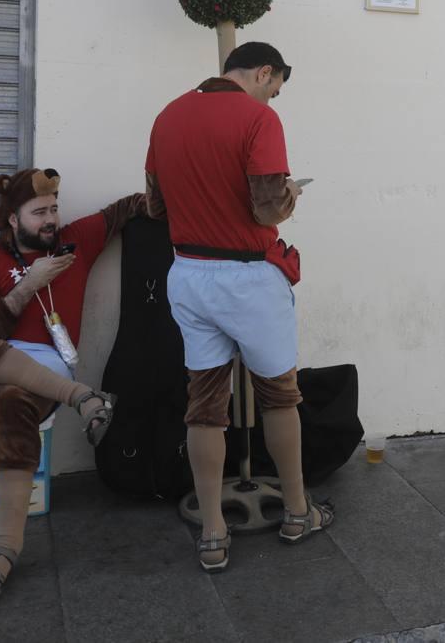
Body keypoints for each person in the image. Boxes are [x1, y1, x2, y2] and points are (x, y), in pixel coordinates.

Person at [144, 41, 334, 572]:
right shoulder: (257, 120)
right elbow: (268, 205)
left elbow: (155, 205)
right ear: (262, 72)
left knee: (204, 403)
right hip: (248, 278)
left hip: (188, 274)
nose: (272, 101)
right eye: (273, 90)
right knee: (279, 396)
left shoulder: (168, 115)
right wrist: (291, 193)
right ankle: (298, 511)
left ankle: (212, 532)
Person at [0, 167, 144, 603]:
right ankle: (82, 398)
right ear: (13, 219)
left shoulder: (76, 242)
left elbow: (131, 207)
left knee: (13, 398)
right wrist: (29, 285)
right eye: (38, 212)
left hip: (39, 379)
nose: (50, 219)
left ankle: (4, 550)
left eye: (54, 209)